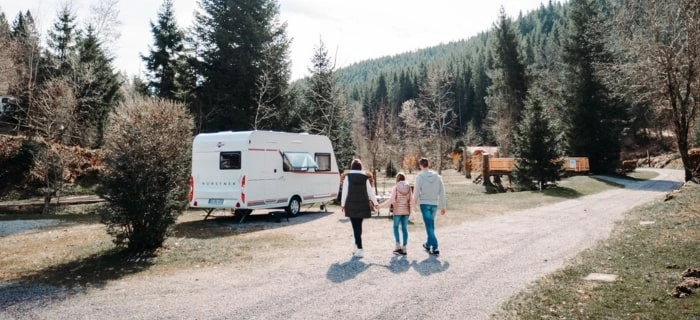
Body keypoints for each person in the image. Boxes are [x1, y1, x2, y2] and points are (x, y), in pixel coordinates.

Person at [341, 159, 379, 258]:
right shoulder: (365, 178)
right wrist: (375, 203)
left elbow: (344, 191)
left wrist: (343, 204)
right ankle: (357, 245)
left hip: (351, 204)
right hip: (362, 204)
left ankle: (360, 248)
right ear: (360, 167)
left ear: (352, 166)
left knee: (355, 227)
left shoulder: (347, 178)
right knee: (359, 226)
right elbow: (370, 191)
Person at [413, 158, 446, 255]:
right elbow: (442, 191)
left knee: (428, 225)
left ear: (420, 165)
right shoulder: (437, 177)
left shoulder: (419, 177)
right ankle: (428, 244)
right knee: (430, 225)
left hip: (424, 203)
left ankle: (435, 247)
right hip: (434, 204)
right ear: (428, 164)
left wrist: (414, 203)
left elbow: (416, 191)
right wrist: (443, 206)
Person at [378, 172, 413, 255]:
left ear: (397, 179)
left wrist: (380, 206)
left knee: (395, 227)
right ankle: (404, 247)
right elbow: (412, 199)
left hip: (397, 211)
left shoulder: (396, 188)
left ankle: (397, 246)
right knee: (404, 229)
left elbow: (391, 200)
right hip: (406, 211)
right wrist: (415, 208)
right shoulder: (409, 188)